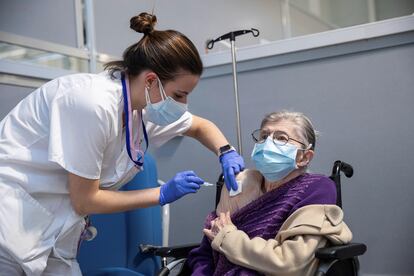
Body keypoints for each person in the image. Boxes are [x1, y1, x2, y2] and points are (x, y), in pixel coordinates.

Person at [0, 12, 245, 275]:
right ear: (151, 80)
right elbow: (85, 200)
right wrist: (161, 194)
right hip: (11, 223)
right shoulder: (91, 103)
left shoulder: (142, 109)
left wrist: (226, 151)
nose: (182, 104)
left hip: (52, 232)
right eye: (179, 94)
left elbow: (199, 126)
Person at [187, 111, 353, 276]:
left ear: (304, 157)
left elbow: (290, 263)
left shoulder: (316, 188)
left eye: (281, 138)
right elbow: (207, 249)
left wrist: (228, 238)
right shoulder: (240, 184)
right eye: (264, 136)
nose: (268, 143)